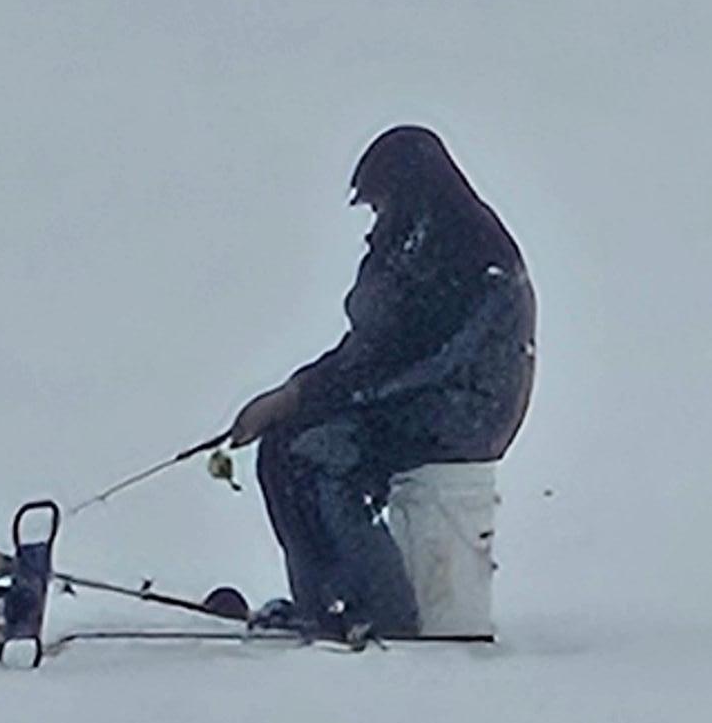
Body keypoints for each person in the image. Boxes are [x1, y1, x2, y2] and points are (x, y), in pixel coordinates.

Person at [224, 128, 534, 638]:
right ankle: (324, 600)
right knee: (285, 447)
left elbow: (417, 358)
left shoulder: (468, 252)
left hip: (467, 407)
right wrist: (294, 396)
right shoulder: (414, 242)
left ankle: (381, 610)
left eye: (379, 205)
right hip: (416, 399)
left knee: (325, 457)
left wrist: (306, 397)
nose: (376, 220)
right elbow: (370, 347)